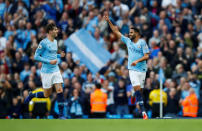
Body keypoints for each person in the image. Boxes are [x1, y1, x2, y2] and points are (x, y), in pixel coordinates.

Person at [104, 15, 150, 119]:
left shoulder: (142, 42)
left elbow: (147, 55)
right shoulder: (128, 41)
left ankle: (134, 94)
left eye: (131, 33)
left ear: (137, 34)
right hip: (132, 69)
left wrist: (137, 61)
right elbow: (116, 31)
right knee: (138, 89)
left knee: (140, 91)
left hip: (142, 69)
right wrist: (109, 21)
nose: (129, 34)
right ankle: (144, 113)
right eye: (129, 33)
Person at [24, 23, 66, 119]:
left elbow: (53, 55)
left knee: (60, 90)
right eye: (55, 29)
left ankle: (61, 115)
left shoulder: (55, 42)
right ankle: (33, 95)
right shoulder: (43, 43)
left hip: (55, 70)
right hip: (46, 72)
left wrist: (60, 56)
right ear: (50, 31)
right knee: (47, 94)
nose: (57, 31)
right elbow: (36, 56)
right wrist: (49, 61)